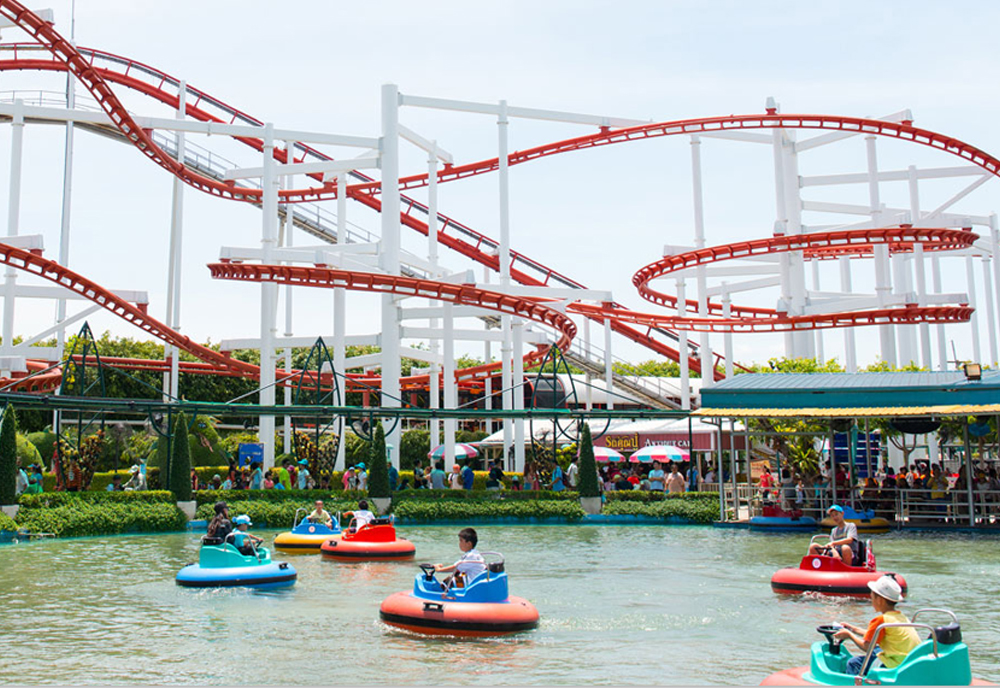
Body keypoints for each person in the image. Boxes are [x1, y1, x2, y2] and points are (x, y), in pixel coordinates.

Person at [834, 575, 920, 676]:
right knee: (877, 650)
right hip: (909, 661)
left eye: (872, 597)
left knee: (853, 663)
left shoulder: (880, 620)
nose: (871, 601)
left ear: (879, 600)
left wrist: (849, 635)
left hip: (895, 665)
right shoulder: (900, 617)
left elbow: (867, 647)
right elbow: (875, 636)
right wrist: (853, 629)